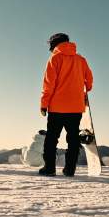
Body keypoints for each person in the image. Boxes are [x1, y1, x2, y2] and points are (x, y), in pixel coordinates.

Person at [38, 33, 93, 177]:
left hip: (57, 107)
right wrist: (83, 91)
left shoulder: (55, 58)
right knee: (73, 138)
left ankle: (49, 168)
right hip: (76, 107)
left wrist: (44, 105)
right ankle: (70, 169)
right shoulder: (81, 60)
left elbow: (48, 85)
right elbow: (90, 81)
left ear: (54, 44)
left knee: (51, 138)